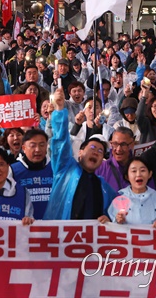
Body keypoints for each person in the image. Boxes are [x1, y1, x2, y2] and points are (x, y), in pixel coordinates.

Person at [44, 87, 116, 220]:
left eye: (101, 151)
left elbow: (122, 207)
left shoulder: (103, 186)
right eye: (93, 147)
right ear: (80, 152)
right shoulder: (65, 169)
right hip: (60, 238)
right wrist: (59, 110)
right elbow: (60, 142)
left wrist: (110, 217)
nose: (96, 152)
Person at [107, 158, 156, 228]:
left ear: (150, 174)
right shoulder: (119, 199)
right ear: (127, 176)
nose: (138, 174)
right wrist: (118, 220)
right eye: (134, 171)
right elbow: (110, 227)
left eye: (143, 170)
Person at [10, 129, 53, 219]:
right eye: (33, 146)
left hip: (54, 225)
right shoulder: (12, 171)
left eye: (42, 145)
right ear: (24, 148)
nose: (37, 150)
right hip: (25, 228)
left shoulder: (55, 168)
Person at [96, 128, 136, 193]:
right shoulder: (100, 168)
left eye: (123, 144)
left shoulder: (140, 169)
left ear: (132, 144)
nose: (118, 149)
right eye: (115, 144)